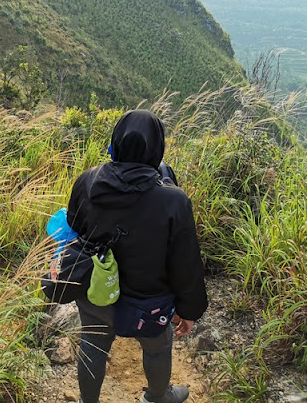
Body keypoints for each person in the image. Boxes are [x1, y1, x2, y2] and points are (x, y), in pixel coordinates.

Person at [67, 110, 208, 403]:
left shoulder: (87, 181)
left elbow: (74, 227)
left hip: (97, 290)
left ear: (115, 142)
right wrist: (189, 309)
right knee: (157, 348)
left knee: (93, 344)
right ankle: (157, 397)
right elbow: (185, 262)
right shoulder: (174, 200)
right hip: (150, 300)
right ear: (158, 149)